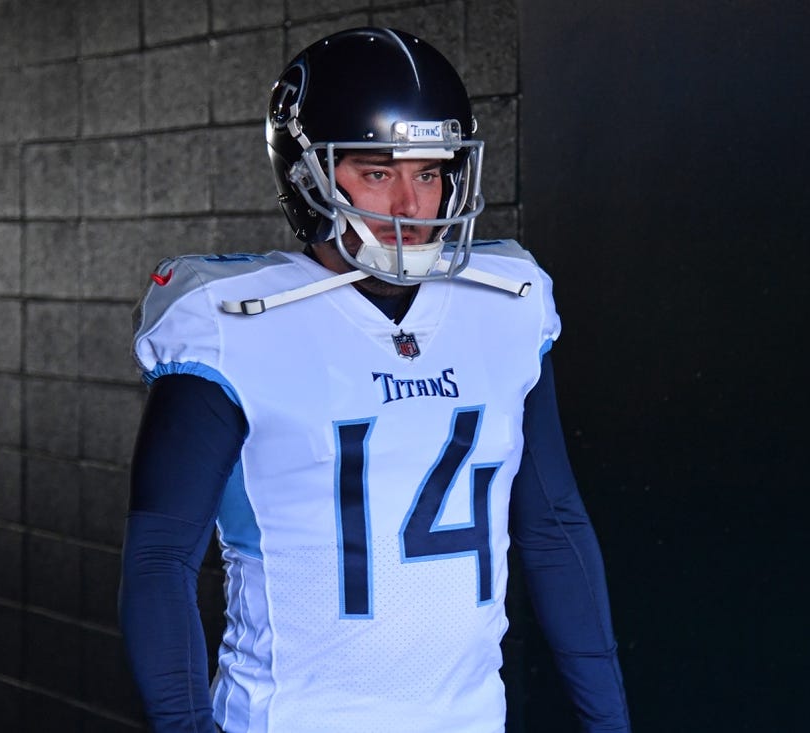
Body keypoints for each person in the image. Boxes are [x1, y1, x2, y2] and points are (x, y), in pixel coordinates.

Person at [119, 26, 630, 733]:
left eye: (429, 172)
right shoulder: (233, 321)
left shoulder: (507, 302)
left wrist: (610, 721)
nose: (411, 205)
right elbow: (160, 559)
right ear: (309, 177)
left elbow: (552, 525)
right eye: (377, 171)